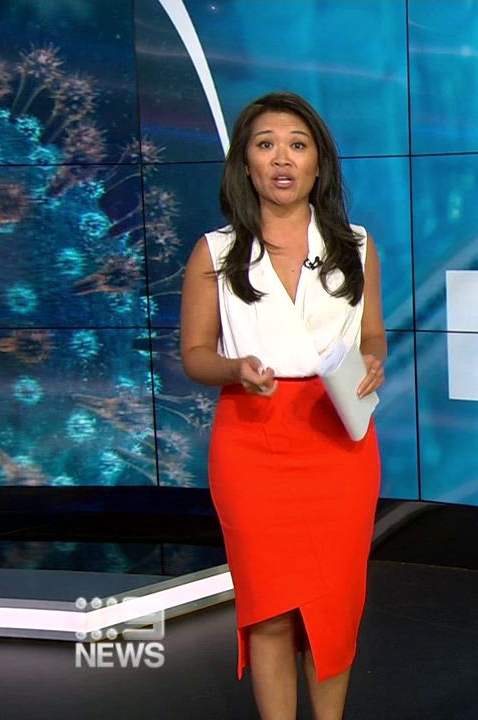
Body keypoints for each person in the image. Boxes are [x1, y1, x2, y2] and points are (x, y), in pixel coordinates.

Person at [179, 91, 386, 720]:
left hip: (338, 439)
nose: (282, 158)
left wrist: (372, 360)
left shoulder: (356, 245)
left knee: (333, 606)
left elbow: (372, 333)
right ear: (245, 164)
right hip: (252, 440)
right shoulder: (215, 253)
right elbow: (194, 354)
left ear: (318, 163)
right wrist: (235, 369)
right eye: (265, 145)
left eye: (297, 145)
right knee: (270, 609)